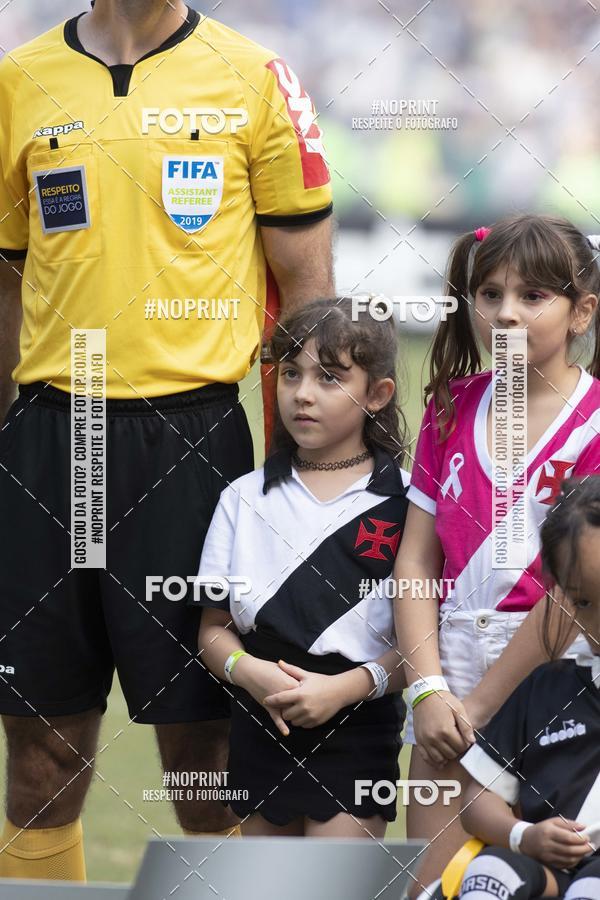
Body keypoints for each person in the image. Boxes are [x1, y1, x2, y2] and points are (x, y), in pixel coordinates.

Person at [0, 0, 334, 881]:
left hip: (191, 444)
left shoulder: (255, 77)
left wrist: (311, 482)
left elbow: (309, 301)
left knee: (208, 760)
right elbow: (6, 288)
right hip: (49, 440)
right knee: (39, 756)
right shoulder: (19, 79)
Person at [392, 215, 600, 897]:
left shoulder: (596, 423)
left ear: (582, 312)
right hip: (445, 692)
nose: (506, 313)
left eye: (534, 296)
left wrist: (479, 708)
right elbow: (416, 564)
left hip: (551, 692)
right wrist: (429, 692)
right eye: (490, 294)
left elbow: (576, 591)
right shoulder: (448, 407)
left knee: (545, 875)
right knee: (436, 886)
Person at [193, 297, 409, 837]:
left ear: (377, 395)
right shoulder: (242, 498)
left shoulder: (409, 505)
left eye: (330, 378)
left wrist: (345, 689)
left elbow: (421, 646)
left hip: (357, 723)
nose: (303, 394)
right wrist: (253, 675)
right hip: (261, 719)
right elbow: (212, 632)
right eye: (290, 373)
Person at [451, 475, 600, 899]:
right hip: (548, 873)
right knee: (489, 873)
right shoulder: (542, 691)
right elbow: (476, 802)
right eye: (585, 602)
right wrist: (523, 836)